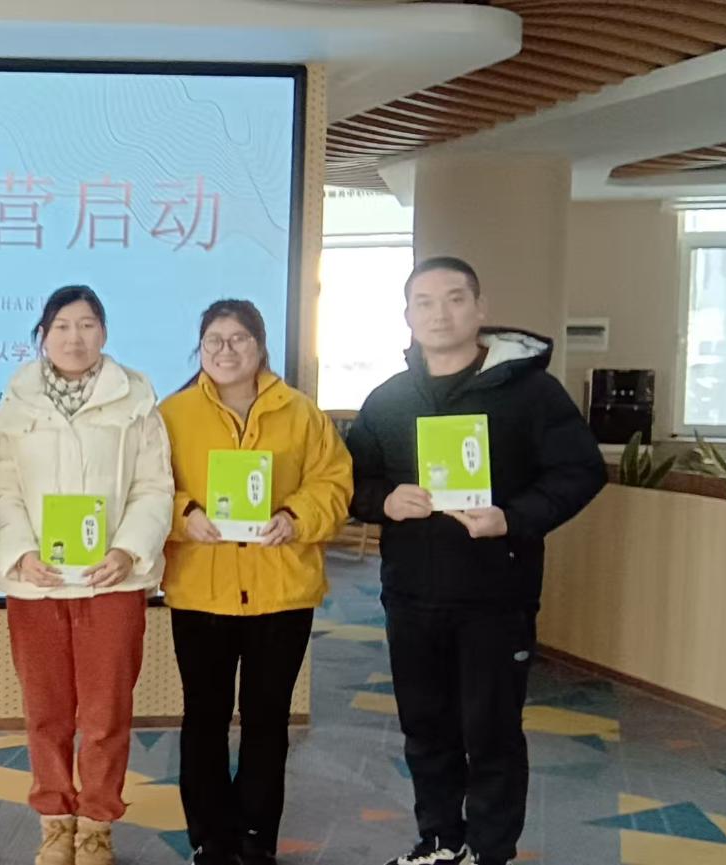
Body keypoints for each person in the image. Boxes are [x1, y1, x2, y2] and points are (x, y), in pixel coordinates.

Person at [349, 257, 606, 865]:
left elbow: (580, 470)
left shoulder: (531, 392)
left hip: (496, 598)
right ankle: (440, 843)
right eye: (425, 302)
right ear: (408, 316)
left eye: (455, 299)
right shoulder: (388, 399)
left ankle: (490, 853)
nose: (440, 313)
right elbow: (351, 481)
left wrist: (511, 518)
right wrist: (384, 501)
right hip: (411, 596)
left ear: (480, 309)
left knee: (491, 734)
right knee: (425, 730)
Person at [159, 300, 352, 865]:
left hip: (281, 591)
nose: (226, 350)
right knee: (205, 718)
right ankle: (210, 837)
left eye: (239, 338)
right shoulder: (171, 415)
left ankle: (256, 836)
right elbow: (145, 487)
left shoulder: (302, 414)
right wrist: (184, 514)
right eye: (214, 340)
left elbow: (333, 484)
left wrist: (295, 516)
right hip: (202, 589)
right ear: (200, 348)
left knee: (268, 720)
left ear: (261, 346)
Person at [0, 285, 175, 865]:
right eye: (63, 326)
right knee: (45, 710)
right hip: (37, 584)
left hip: (110, 582)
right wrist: (21, 553)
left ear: (105, 332)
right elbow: (1, 489)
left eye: (88, 324)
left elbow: (154, 486)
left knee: (105, 712)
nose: (75, 337)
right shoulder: (15, 403)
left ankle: (96, 823)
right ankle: (54, 820)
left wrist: (127, 550)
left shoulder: (135, 399)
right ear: (43, 335)